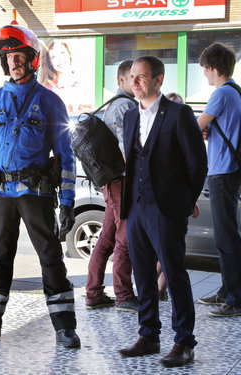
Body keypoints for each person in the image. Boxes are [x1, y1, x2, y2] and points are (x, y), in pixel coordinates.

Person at [0, 23, 80, 349]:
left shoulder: (51, 103)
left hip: (35, 193)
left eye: (19, 55)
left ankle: (65, 327)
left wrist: (67, 201)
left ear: (32, 58)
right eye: (8, 56)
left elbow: (66, 156)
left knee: (51, 257)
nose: (13, 62)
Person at [118, 56, 207, 368]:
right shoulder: (130, 117)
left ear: (158, 79)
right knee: (141, 273)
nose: (135, 82)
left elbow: (198, 165)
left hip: (167, 209)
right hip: (136, 207)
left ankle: (184, 341)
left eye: (141, 77)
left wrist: (185, 201)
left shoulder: (179, 114)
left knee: (173, 273)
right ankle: (149, 335)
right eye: (132, 77)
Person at [85, 60, 139, 313]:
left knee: (106, 238)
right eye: (132, 77)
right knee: (123, 240)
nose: (136, 81)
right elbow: (130, 150)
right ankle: (124, 295)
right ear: (121, 80)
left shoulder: (112, 105)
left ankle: (94, 292)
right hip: (122, 182)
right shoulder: (126, 106)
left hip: (111, 181)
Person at [197, 42, 241, 317]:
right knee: (227, 236)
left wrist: (202, 127)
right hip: (231, 169)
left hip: (222, 171)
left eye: (204, 69)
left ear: (213, 68)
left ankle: (234, 298)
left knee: (226, 237)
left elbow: (196, 126)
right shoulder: (236, 92)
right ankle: (226, 291)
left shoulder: (221, 94)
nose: (204, 74)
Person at [158, 92, 184, 302]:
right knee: (164, 249)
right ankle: (156, 288)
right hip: (159, 201)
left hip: (176, 201)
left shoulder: (183, 136)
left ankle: (159, 288)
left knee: (170, 249)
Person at [39, 39, 90, 115]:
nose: (60, 59)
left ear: (69, 54)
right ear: (49, 62)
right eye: (53, 57)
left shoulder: (81, 83)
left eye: (62, 53)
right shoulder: (47, 89)